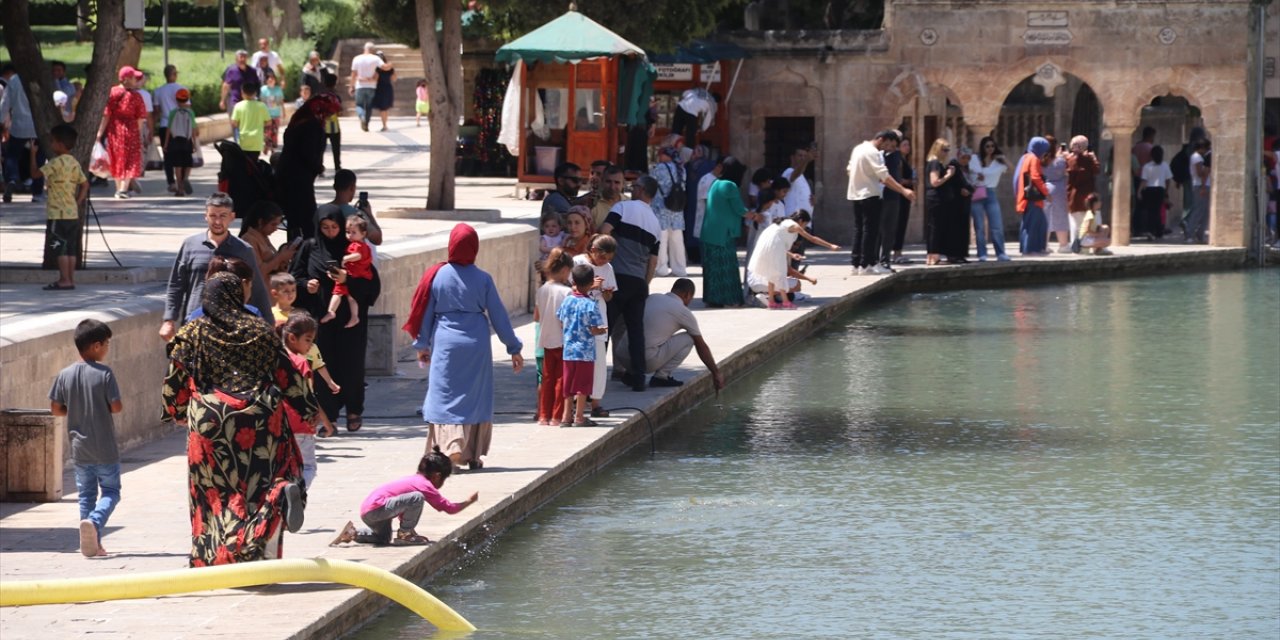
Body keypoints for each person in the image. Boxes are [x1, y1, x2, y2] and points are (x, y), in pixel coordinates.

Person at [162, 272, 315, 566]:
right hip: (261, 420)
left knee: (213, 493)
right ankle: (279, 498)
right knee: (264, 485)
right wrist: (307, 408)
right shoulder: (260, 330)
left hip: (210, 420)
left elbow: (175, 379)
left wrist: (176, 410)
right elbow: (286, 374)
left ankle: (216, 560)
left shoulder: (193, 332)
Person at [404, 223, 524, 470]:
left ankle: (450, 447)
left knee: (445, 394)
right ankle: (472, 453)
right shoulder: (483, 279)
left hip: (446, 341)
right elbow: (499, 316)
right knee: (475, 396)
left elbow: (426, 313)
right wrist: (513, 348)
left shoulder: (438, 275)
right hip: (476, 343)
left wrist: (422, 344)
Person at [289, 207, 379, 431]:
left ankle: (353, 410)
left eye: (334, 228)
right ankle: (329, 416)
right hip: (321, 318)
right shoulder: (310, 247)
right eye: (325, 228)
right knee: (322, 365)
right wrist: (306, 285)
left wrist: (347, 278)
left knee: (352, 365)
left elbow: (372, 286)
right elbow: (294, 276)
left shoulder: (354, 249)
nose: (330, 232)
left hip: (351, 319)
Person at [49, 319, 123, 558]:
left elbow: (56, 409)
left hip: (80, 449)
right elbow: (116, 407)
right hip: (105, 448)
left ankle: (92, 544)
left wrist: (77, 409)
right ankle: (95, 519)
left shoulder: (64, 374)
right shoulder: (105, 374)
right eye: (107, 344)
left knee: (86, 495)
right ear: (96, 345)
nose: (108, 349)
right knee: (111, 491)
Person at [160, 192, 273, 341]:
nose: (217, 221)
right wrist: (169, 319)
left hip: (233, 328)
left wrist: (269, 324)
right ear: (205, 216)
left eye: (223, 216)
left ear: (232, 217)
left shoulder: (243, 250)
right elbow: (176, 284)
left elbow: (257, 288)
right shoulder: (190, 245)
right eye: (213, 216)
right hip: (194, 322)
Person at [330, 447, 478, 546]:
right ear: (437, 476)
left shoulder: (414, 479)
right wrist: (469, 501)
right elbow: (449, 508)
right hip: (377, 510)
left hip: (369, 511)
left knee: (383, 539)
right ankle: (404, 535)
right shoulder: (424, 485)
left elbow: (403, 510)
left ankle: (352, 533)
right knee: (416, 498)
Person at [600, 175, 661, 391]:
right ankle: (638, 378)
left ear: (642, 189)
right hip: (638, 283)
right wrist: (645, 285)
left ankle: (597, 375)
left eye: (634, 186)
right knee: (636, 331)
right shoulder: (655, 224)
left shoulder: (622, 208)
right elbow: (652, 262)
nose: (631, 189)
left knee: (604, 327)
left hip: (616, 278)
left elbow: (605, 232)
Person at [614, 278, 725, 390]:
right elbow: (702, 346)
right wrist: (715, 372)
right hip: (645, 362)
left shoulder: (653, 297)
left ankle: (631, 374)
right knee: (690, 338)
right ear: (687, 295)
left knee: (652, 334)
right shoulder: (683, 312)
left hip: (622, 356)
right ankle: (661, 376)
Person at [279, 312, 336, 491]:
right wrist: (325, 421)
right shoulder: (301, 363)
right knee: (308, 467)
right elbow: (308, 396)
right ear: (292, 338)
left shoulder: (275, 359)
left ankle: (282, 494)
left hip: (278, 425)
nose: (310, 346)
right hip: (301, 425)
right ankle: (295, 493)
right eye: (308, 340)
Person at [847, 130, 916, 274]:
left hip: (855, 193)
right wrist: (903, 190)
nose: (889, 148)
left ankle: (856, 264)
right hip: (870, 194)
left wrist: (862, 177)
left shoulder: (858, 149)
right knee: (870, 231)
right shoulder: (873, 152)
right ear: (881, 139)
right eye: (889, 144)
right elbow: (884, 176)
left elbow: (849, 169)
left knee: (859, 229)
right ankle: (867, 265)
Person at [277, 93, 342, 240]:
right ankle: (302, 252)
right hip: (298, 181)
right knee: (305, 220)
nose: (330, 115)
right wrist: (318, 167)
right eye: (329, 112)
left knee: (295, 221)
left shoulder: (300, 120)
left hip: (289, 179)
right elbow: (308, 153)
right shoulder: (311, 125)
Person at [32, 124, 88, 291]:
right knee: (70, 248)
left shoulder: (55, 163)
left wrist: (33, 155)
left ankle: (64, 279)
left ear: (60, 144)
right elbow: (85, 185)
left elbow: (35, 174)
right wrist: (77, 202)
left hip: (57, 214)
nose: (51, 144)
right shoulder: (74, 163)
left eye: (53, 141)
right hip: (72, 213)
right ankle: (70, 279)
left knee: (59, 248)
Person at [270, 273, 343, 398]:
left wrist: (330, 382)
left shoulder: (300, 315)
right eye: (286, 291)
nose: (291, 294)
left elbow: (317, 360)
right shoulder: (270, 315)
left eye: (293, 290)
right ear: (275, 293)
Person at [747, 211, 838, 309]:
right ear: (801, 221)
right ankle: (786, 302)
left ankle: (771, 302)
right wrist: (830, 245)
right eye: (805, 224)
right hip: (774, 247)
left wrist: (792, 255)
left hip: (765, 247)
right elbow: (812, 239)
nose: (804, 227)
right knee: (779, 273)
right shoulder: (794, 225)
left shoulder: (782, 223)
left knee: (772, 274)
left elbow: (776, 243)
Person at [573, 234, 617, 419]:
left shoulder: (607, 269)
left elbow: (610, 296)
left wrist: (605, 291)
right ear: (593, 251)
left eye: (607, 259)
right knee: (578, 360)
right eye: (601, 257)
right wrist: (590, 286)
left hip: (599, 316)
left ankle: (596, 403)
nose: (603, 262)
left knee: (599, 361)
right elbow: (571, 289)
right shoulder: (578, 262)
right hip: (580, 317)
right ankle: (576, 401)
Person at [557, 264, 608, 426]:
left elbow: (560, 319)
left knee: (569, 384)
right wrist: (602, 330)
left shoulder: (567, 301)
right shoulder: (591, 304)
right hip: (585, 352)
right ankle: (579, 417)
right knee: (583, 385)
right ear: (591, 282)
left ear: (574, 280)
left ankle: (566, 416)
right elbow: (594, 329)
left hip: (569, 350)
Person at [95, 66, 147, 200]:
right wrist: (139, 133)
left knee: (117, 158)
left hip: (114, 131)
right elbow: (141, 117)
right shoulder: (136, 96)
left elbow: (106, 115)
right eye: (134, 77)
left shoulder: (112, 93)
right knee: (131, 160)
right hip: (131, 130)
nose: (137, 79)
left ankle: (119, 188)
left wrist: (100, 133)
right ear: (127, 79)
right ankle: (124, 188)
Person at [535, 249, 573, 425]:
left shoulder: (541, 290)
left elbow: (536, 316)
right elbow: (568, 319)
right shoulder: (566, 293)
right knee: (560, 380)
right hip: (563, 341)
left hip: (546, 340)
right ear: (565, 269)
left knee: (547, 379)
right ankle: (557, 416)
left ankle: (543, 415)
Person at [322, 217, 373, 328]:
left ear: (363, 234)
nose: (350, 235)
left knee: (344, 295)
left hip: (356, 275)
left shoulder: (361, 246)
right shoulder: (353, 244)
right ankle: (336, 312)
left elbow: (358, 255)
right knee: (343, 294)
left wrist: (346, 258)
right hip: (351, 275)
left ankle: (345, 314)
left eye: (354, 232)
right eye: (348, 232)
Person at [969, 135, 1009, 261]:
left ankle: (1000, 252)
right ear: (983, 147)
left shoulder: (998, 163)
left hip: (991, 192)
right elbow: (968, 170)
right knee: (979, 226)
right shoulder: (975, 158)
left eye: (992, 146)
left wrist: (1003, 158)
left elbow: (1012, 169)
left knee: (996, 225)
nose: (990, 148)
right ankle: (982, 253)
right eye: (987, 146)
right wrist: (976, 177)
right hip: (977, 192)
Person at [653, 146, 688, 277]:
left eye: (660, 154)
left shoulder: (659, 168)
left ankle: (661, 268)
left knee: (661, 240)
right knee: (677, 240)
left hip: (661, 207)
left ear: (666, 155)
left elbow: (651, 183)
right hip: (677, 209)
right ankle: (680, 269)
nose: (659, 157)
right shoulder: (682, 169)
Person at [1014, 136, 1052, 256]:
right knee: (1034, 223)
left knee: (1035, 222)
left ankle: (1032, 248)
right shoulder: (1034, 158)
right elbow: (1035, 177)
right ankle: (1030, 249)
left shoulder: (1025, 157)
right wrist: (1046, 192)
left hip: (1026, 197)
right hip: (1033, 198)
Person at [239, 200, 298, 274]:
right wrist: (281, 257)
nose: (275, 228)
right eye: (273, 224)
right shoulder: (249, 240)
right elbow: (258, 272)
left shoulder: (264, 237)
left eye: (277, 225)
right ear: (260, 222)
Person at [153, 64, 186, 193]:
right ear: (173, 75)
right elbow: (187, 108)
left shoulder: (158, 91)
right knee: (181, 154)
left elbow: (156, 110)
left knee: (167, 155)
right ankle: (180, 182)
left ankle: (171, 182)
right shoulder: (182, 89)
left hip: (164, 124)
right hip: (180, 126)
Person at [1065, 135, 1100, 251]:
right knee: (1093, 222)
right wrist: (1094, 157)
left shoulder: (1068, 159)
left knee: (1075, 223)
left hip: (1073, 196)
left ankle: (1076, 246)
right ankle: (1096, 247)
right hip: (1087, 196)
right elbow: (1097, 170)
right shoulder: (1088, 159)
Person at [163, 88, 197, 197]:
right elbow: (193, 129)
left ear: (176, 100)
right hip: (187, 142)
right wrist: (194, 143)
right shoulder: (190, 112)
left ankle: (180, 189)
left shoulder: (173, 112)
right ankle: (186, 178)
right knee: (188, 163)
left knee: (177, 166)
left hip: (175, 142)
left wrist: (166, 143)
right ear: (187, 99)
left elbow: (168, 129)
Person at [1040, 137, 1071, 253]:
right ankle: (1063, 245)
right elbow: (1067, 173)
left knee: (1046, 217)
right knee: (1060, 217)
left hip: (1045, 189)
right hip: (1059, 189)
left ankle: (1044, 245)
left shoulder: (1041, 160)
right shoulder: (1061, 160)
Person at [350, 42, 389, 132]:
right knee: (368, 107)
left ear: (364, 48)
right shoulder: (375, 58)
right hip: (371, 86)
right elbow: (383, 67)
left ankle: (362, 117)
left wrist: (351, 85)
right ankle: (366, 124)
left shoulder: (357, 58)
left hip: (360, 86)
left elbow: (353, 74)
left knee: (359, 105)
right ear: (373, 50)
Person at [1137, 145, 1174, 240]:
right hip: (1160, 190)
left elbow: (1144, 181)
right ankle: (1158, 230)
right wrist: (1166, 191)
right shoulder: (1165, 165)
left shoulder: (1147, 166)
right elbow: (1168, 180)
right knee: (1157, 211)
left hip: (1149, 190)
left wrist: (1139, 191)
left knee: (1150, 211)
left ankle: (1151, 230)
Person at [891, 137, 917, 264]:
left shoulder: (904, 160)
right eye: (905, 145)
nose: (908, 147)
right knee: (898, 223)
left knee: (902, 223)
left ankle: (898, 252)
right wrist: (909, 182)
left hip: (904, 195)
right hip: (901, 194)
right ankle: (896, 253)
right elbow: (897, 179)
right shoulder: (898, 160)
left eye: (908, 144)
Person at [231, 82, 269, 161]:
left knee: (244, 162)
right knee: (254, 162)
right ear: (255, 93)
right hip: (257, 140)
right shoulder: (262, 106)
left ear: (242, 93)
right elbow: (268, 122)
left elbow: (234, 123)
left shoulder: (238, 106)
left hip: (243, 139)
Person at [1186, 139, 1212, 243]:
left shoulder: (1199, 157)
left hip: (1203, 185)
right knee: (1198, 211)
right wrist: (1207, 168)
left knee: (1205, 211)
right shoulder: (1197, 157)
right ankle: (1189, 234)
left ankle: (1200, 234)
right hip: (1199, 185)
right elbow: (1200, 173)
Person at [219, 50, 253, 116]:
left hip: (247, 100)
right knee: (234, 120)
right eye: (241, 57)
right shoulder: (230, 69)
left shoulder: (250, 70)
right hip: (233, 100)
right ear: (236, 58)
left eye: (245, 57)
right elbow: (225, 85)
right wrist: (223, 100)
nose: (243, 59)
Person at [591, 165, 624, 230]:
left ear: (623, 184)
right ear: (602, 181)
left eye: (617, 182)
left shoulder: (629, 203)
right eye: (608, 182)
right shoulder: (592, 205)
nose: (612, 187)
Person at [260, 71, 285, 155]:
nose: (270, 80)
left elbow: (281, 101)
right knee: (267, 132)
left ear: (275, 80)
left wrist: (283, 111)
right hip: (266, 115)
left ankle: (272, 147)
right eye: (269, 78)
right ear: (266, 80)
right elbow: (262, 102)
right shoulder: (263, 89)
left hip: (276, 114)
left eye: (272, 78)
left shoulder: (278, 89)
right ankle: (267, 146)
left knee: (274, 131)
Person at [372, 50, 397, 132]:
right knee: (385, 108)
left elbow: (375, 79)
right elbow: (394, 78)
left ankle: (384, 125)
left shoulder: (377, 68)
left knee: (382, 109)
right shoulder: (390, 68)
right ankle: (385, 125)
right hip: (388, 88)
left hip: (380, 88)